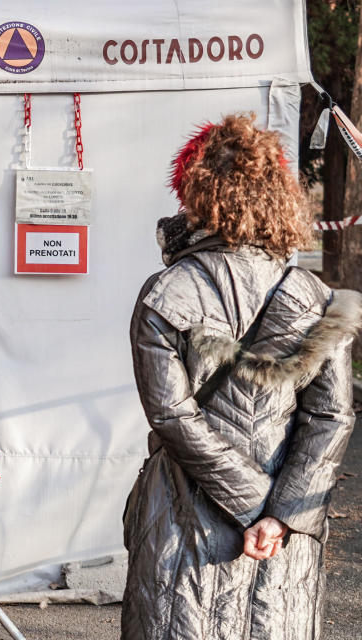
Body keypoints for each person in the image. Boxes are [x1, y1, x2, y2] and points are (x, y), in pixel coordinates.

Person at [123, 113, 362, 639]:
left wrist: (252, 503)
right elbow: (331, 418)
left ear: (197, 195)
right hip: (283, 531)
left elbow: (172, 416)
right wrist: (276, 515)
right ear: (278, 196)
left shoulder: (166, 293)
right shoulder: (316, 297)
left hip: (183, 520)